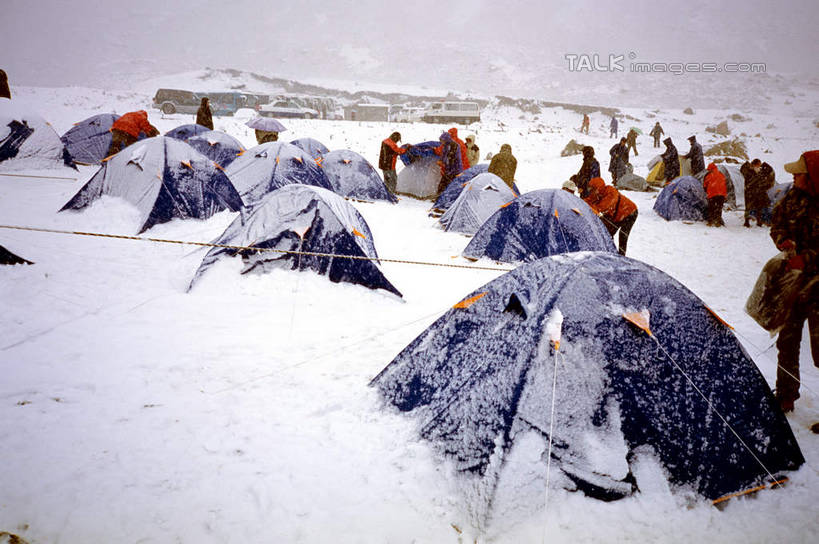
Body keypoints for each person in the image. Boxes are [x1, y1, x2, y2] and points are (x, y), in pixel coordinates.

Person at [768, 150, 819, 417]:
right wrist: (782, 241)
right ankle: (785, 395)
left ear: (811, 177)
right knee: (787, 342)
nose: (793, 176)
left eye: (798, 173)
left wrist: (807, 259)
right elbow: (776, 225)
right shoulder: (791, 199)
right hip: (793, 284)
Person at [582, 177, 639, 256]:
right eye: (590, 188)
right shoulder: (598, 193)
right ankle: (608, 251)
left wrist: (589, 206)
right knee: (607, 233)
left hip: (630, 212)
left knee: (623, 236)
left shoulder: (611, 193)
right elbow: (590, 200)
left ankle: (622, 256)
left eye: (592, 189)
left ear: (598, 188)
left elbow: (600, 208)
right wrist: (580, 202)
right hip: (616, 214)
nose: (590, 191)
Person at [741, 158, 775, 227]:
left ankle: (759, 222)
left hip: (758, 193)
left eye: (759, 166)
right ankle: (747, 222)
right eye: (758, 165)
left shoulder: (761, 172)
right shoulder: (748, 171)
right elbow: (743, 170)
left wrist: (765, 165)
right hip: (750, 193)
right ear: (754, 165)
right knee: (748, 207)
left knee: (759, 207)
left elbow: (769, 174)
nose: (759, 167)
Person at [702, 162, 727, 227]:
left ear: (710, 169)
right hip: (722, 194)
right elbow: (725, 183)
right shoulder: (721, 174)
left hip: (712, 194)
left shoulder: (708, 175)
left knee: (711, 208)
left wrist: (706, 191)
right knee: (719, 208)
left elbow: (705, 185)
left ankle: (710, 221)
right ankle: (718, 221)